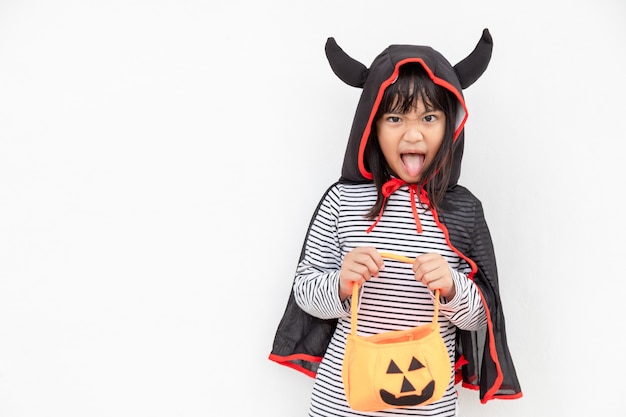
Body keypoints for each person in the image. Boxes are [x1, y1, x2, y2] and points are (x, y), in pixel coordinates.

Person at [269, 28, 522, 416]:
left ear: (450, 125)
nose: (413, 132)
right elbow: (305, 293)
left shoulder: (464, 210)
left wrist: (453, 288)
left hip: (430, 404)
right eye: (395, 117)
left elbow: (480, 318)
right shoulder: (343, 201)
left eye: (429, 116)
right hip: (342, 402)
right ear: (372, 125)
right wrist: (340, 283)